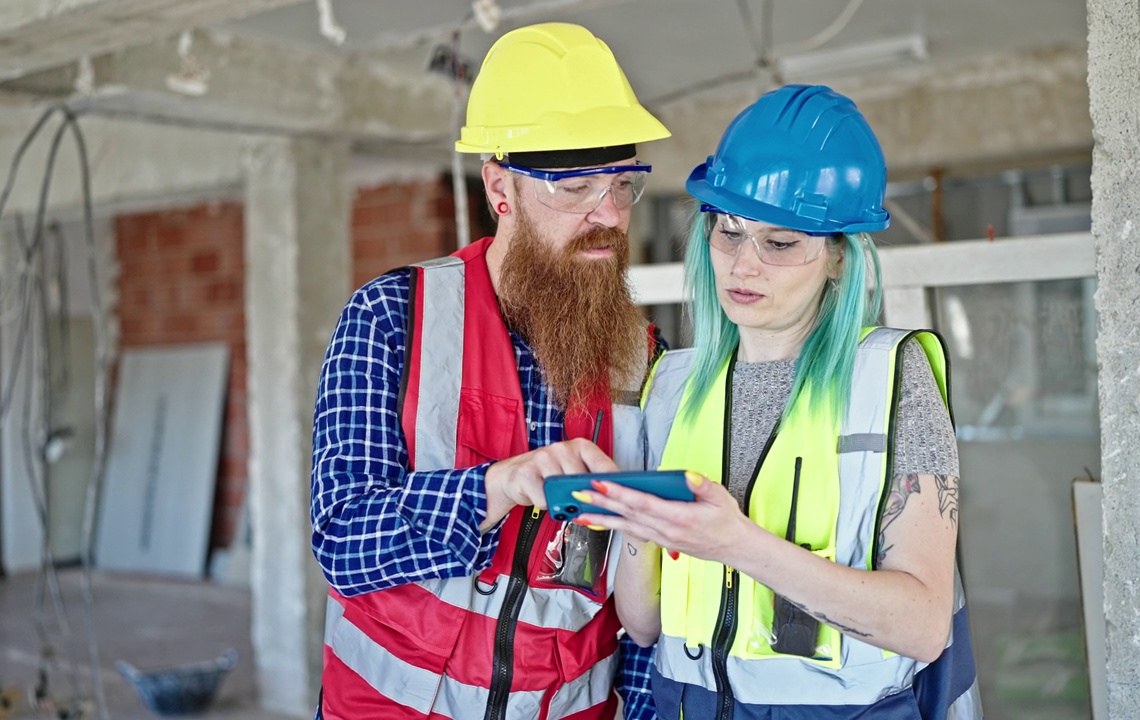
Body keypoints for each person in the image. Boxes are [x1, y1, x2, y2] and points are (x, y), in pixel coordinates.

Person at [570, 85, 982, 719]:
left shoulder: (890, 378)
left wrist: (736, 543)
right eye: (727, 232)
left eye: (781, 243)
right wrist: (633, 518)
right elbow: (644, 623)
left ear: (840, 257)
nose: (743, 265)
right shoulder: (672, 385)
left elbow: (923, 625)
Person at [309, 22, 671, 720]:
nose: (610, 216)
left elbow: (649, 605)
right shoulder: (393, 318)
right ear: (501, 190)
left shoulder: (642, 359)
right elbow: (343, 540)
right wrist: (494, 488)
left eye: (624, 185)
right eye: (575, 188)